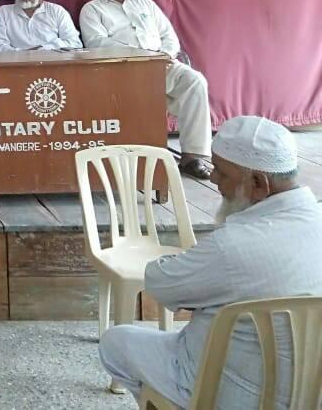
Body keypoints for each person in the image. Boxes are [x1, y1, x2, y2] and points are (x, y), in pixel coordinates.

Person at [99, 116, 322, 408]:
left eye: (222, 173)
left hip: (232, 392)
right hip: (312, 394)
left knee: (116, 343)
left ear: (258, 183)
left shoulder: (232, 246)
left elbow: (160, 284)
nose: (213, 179)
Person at [79, 0, 212, 179]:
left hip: (162, 64)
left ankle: (193, 156)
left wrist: (164, 55)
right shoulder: (92, 9)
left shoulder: (145, 4)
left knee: (195, 81)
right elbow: (97, 43)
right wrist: (140, 56)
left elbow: (169, 35)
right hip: (123, 71)